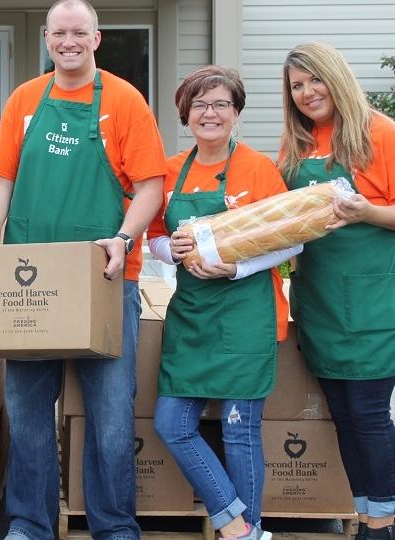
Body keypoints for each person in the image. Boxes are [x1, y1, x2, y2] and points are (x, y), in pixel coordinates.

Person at [0, 0, 166, 537]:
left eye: (78, 33)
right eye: (59, 33)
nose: (68, 42)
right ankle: (31, 524)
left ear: (96, 39)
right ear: (46, 37)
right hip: (28, 279)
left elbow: (151, 185)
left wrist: (124, 239)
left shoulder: (125, 101)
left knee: (110, 417)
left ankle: (113, 526)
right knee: (28, 410)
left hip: (102, 278)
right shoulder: (24, 100)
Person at [148, 65, 297, 540]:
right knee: (171, 424)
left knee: (238, 430)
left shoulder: (258, 168)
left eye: (220, 104)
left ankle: (244, 530)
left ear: (236, 113)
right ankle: (239, 524)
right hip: (191, 317)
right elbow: (152, 236)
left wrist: (236, 267)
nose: (209, 113)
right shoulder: (170, 170)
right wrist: (170, 249)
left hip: (246, 315)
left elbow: (291, 242)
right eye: (199, 104)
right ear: (185, 113)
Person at [279, 42, 395, 540]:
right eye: (297, 86)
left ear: (336, 77)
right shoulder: (297, 146)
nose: (306, 93)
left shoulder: (380, 133)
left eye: (313, 80)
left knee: (369, 415)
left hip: (373, 303)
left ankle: (384, 522)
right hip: (321, 303)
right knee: (344, 417)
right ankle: (366, 514)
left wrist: (367, 212)